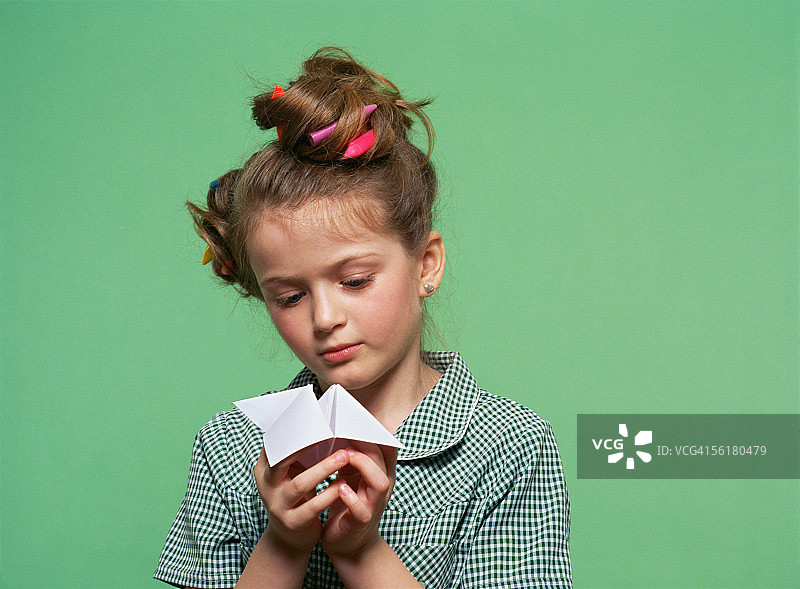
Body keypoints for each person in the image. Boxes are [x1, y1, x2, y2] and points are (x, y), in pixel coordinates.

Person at [155, 47, 572, 589]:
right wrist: (282, 544)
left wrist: (360, 552)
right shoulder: (230, 449)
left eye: (354, 281)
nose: (325, 318)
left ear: (426, 264)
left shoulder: (510, 448)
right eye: (288, 297)